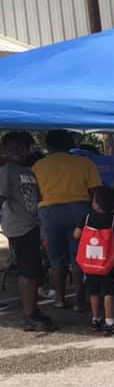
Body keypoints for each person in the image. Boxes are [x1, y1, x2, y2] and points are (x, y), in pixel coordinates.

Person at [31, 129, 101, 310]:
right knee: (78, 257)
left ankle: (59, 299)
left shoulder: (38, 166)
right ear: (70, 143)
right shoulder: (84, 162)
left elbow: (36, 194)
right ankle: (80, 300)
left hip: (49, 212)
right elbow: (96, 192)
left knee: (56, 258)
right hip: (79, 210)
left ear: (48, 145)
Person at [0, 131, 57, 332]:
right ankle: (29, 315)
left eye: (19, 147)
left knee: (35, 269)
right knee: (28, 270)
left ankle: (34, 309)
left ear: (28, 149)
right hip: (18, 226)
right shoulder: (6, 171)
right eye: (9, 147)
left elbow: (36, 199)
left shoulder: (29, 172)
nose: (14, 151)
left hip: (33, 224)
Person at [73, 186, 114, 336]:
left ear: (96, 203)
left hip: (90, 263)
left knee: (93, 291)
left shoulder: (87, 217)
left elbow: (76, 235)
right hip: (108, 262)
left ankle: (95, 320)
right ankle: (110, 322)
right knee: (109, 292)